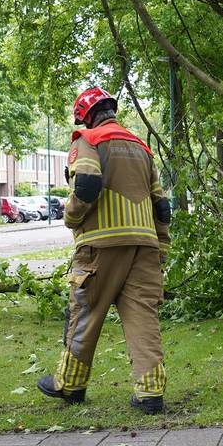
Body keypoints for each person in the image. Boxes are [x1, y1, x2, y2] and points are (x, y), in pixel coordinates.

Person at [37, 86, 173, 415]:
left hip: (100, 247)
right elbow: (162, 205)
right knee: (143, 317)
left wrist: (71, 218)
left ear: (86, 117)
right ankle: (150, 393)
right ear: (111, 110)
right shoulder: (141, 147)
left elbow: (86, 186)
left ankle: (70, 385)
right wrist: (162, 245)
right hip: (144, 247)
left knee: (85, 313)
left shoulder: (88, 140)